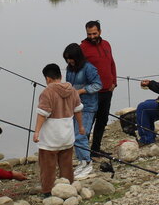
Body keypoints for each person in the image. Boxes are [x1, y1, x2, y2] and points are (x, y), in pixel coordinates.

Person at [33, 63, 84, 195]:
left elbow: (42, 113)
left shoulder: (47, 92)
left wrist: (37, 132)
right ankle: (68, 187)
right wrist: (81, 126)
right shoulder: (72, 90)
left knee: (47, 166)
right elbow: (78, 110)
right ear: (61, 76)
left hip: (51, 137)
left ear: (47, 79)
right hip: (67, 135)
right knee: (66, 164)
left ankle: (48, 191)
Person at [63, 43, 101, 178]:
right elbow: (69, 85)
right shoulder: (70, 69)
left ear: (77, 57)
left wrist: (80, 91)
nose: (69, 61)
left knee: (80, 135)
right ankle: (82, 162)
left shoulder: (89, 68)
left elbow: (98, 85)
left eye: (71, 58)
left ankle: (87, 162)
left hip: (88, 106)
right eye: (67, 59)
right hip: (74, 106)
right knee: (73, 136)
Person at [80, 20, 116, 155]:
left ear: (100, 32)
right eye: (89, 34)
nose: (92, 37)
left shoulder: (106, 44)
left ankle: (96, 149)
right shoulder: (82, 48)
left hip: (107, 90)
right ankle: (83, 151)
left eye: (94, 33)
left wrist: (114, 82)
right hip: (92, 93)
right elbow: (78, 70)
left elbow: (112, 63)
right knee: (88, 122)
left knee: (102, 120)